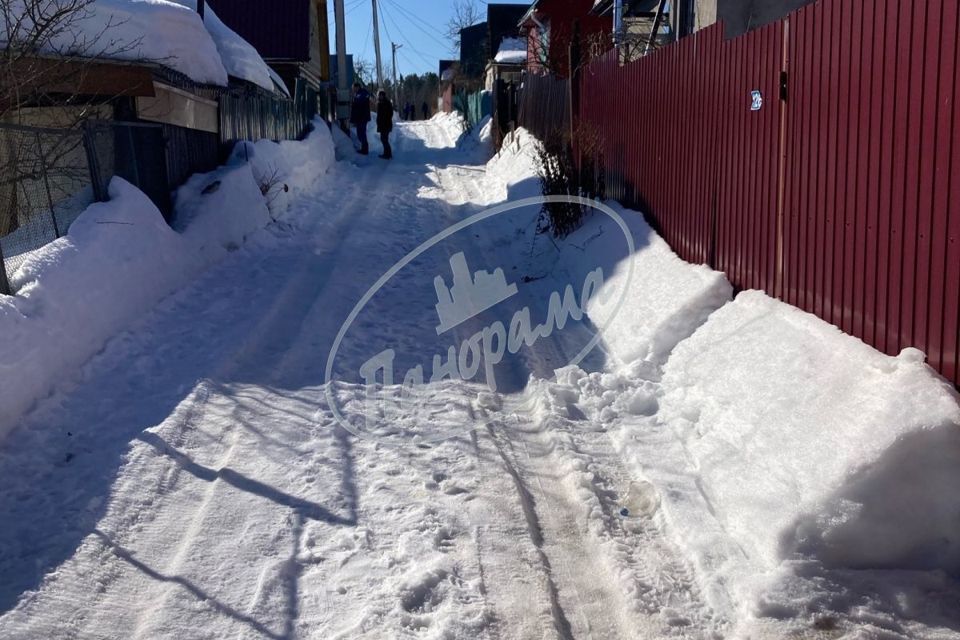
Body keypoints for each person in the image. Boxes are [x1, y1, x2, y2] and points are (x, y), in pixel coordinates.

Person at [350, 82, 371, 155]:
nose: (353, 90)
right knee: (359, 133)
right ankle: (364, 148)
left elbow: (359, 102)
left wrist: (354, 99)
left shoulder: (363, 93)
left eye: (354, 88)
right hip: (359, 117)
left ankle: (365, 149)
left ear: (357, 87)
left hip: (363, 117)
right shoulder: (357, 94)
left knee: (362, 133)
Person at [376, 90, 394, 159]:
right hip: (381, 124)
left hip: (386, 124)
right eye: (379, 95)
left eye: (381, 95)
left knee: (384, 139)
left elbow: (390, 113)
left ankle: (388, 154)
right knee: (383, 139)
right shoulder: (379, 103)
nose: (380, 96)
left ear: (384, 96)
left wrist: (386, 119)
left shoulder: (387, 103)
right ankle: (386, 153)